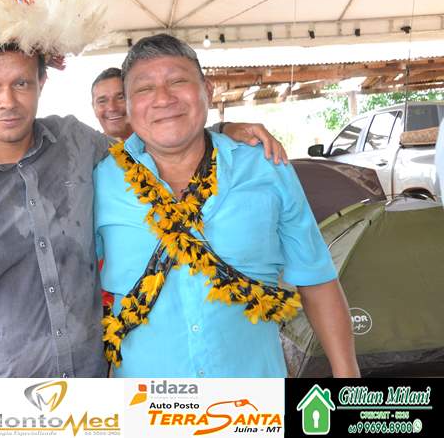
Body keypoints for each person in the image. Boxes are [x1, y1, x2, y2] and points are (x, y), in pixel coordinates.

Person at [0, 0, 286, 378]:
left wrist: (221, 131)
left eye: (21, 83)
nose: (7, 101)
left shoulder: (75, 143)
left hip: (89, 389)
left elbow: (154, 146)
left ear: (41, 82)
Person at [95, 34, 360, 378]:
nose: (163, 98)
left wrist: (347, 378)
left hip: (253, 396)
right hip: (145, 400)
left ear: (207, 89)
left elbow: (317, 279)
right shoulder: (99, 180)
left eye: (178, 81)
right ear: (128, 106)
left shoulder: (266, 167)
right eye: (144, 88)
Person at [91, 67, 132, 140]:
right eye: (102, 101)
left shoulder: (153, 142)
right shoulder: (88, 146)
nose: (112, 108)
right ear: (94, 108)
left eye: (120, 98)